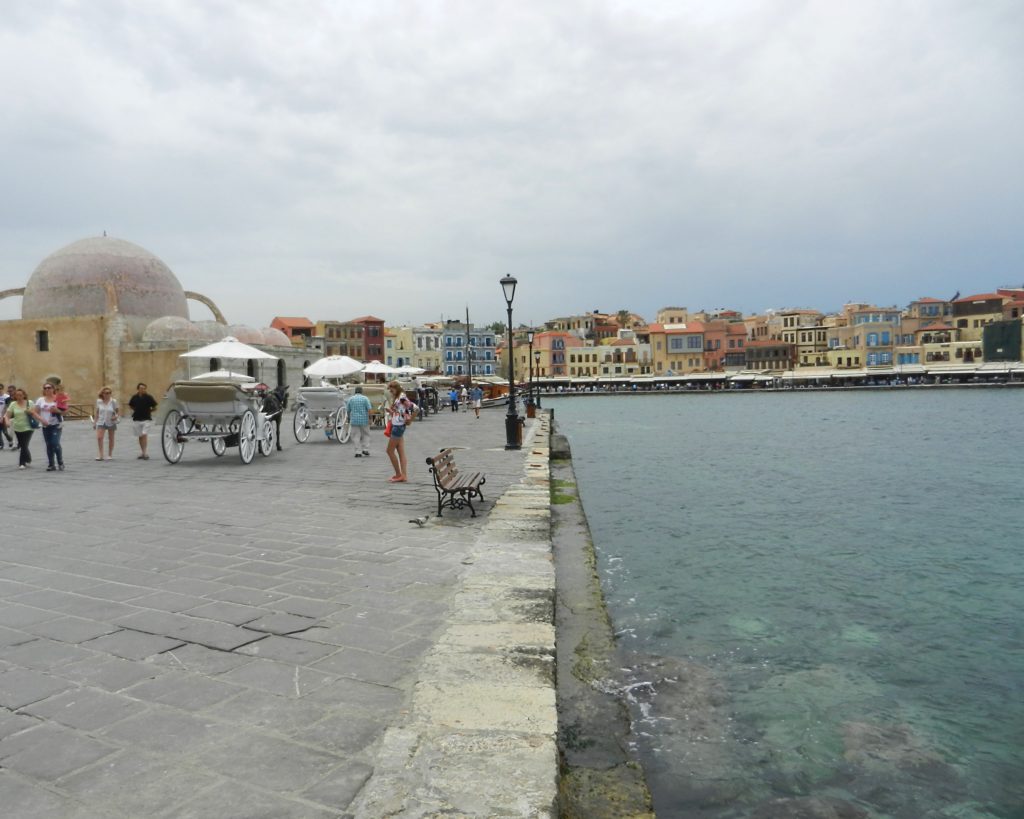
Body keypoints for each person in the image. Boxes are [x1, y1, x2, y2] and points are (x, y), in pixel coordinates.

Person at [385, 380, 415, 483]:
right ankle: (404, 475)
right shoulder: (399, 397)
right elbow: (400, 411)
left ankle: (398, 474)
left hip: (398, 427)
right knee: (401, 452)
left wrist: (410, 419)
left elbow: (414, 408)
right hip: (398, 425)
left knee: (389, 451)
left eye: (391, 389)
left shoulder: (402, 397)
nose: (390, 391)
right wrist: (392, 411)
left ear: (396, 388)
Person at [4, 387, 42, 469]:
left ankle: (22, 463)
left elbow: (35, 413)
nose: (19, 397)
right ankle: (28, 458)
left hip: (28, 427)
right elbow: (7, 415)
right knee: (23, 444)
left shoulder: (30, 403)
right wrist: (7, 422)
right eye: (17, 395)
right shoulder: (13, 404)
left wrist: (31, 412)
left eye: (20, 395)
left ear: (24, 395)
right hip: (17, 427)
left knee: (24, 444)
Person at [35, 383, 65, 471]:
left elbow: (65, 411)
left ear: (53, 389)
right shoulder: (41, 400)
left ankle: (60, 462)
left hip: (56, 424)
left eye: (49, 388)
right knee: (48, 444)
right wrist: (41, 419)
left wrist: (57, 410)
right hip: (45, 425)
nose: (47, 389)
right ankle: (51, 464)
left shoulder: (58, 398)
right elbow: (35, 412)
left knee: (55, 443)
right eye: (45, 388)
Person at [128, 382, 158, 460]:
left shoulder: (149, 397)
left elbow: (155, 406)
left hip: (146, 419)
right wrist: (136, 410)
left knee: (144, 434)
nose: (143, 390)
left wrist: (149, 411)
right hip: (137, 418)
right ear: (138, 389)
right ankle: (142, 452)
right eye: (141, 388)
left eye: (144, 388)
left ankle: (145, 453)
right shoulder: (134, 397)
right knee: (140, 436)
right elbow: (131, 405)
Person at [347, 385, 373, 458]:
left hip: (354, 420)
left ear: (355, 391)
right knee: (366, 434)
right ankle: (365, 449)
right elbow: (369, 409)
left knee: (355, 436)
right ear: (362, 391)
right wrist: (370, 418)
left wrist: (349, 418)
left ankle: (357, 452)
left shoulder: (351, 399)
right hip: (364, 420)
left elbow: (348, 410)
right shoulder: (365, 398)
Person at [94, 386, 119, 460]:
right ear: (102, 394)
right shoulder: (99, 401)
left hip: (111, 421)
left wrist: (116, 416)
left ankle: (110, 454)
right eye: (106, 393)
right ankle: (101, 455)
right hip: (101, 421)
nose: (108, 394)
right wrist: (95, 422)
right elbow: (97, 413)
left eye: (109, 393)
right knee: (99, 437)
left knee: (111, 438)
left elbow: (117, 411)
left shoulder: (113, 401)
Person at [0, 383, 12, 449]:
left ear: (2, 389)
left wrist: (5, 416)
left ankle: (10, 440)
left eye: (0, 389)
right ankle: (1, 444)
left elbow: (7, 408)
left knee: (5, 432)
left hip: (4, 416)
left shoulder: (6, 397)